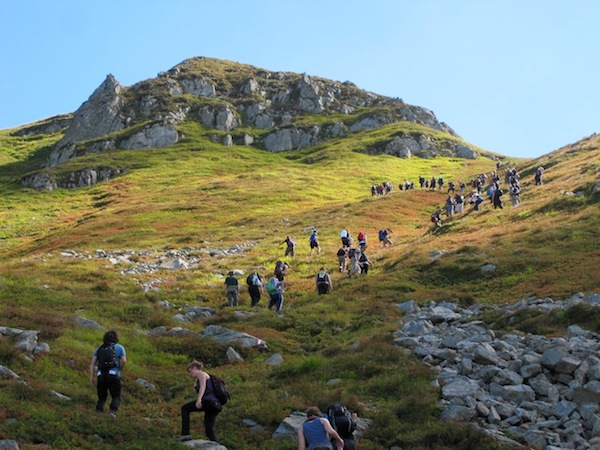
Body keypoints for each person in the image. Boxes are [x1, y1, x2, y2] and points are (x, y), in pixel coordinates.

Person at [179, 360, 222, 442]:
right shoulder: (204, 376)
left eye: (190, 371)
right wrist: (196, 387)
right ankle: (217, 445)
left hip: (208, 402)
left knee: (185, 408)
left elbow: (203, 387)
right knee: (209, 430)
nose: (191, 374)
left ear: (195, 368)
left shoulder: (201, 374)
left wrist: (199, 400)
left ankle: (185, 434)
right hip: (215, 405)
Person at [89, 330, 127, 417]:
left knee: (101, 398)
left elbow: (92, 364)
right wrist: (119, 368)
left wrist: (92, 377)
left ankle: (98, 413)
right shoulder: (120, 348)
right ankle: (112, 412)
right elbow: (124, 361)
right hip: (114, 374)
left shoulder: (99, 349)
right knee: (116, 396)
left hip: (101, 375)